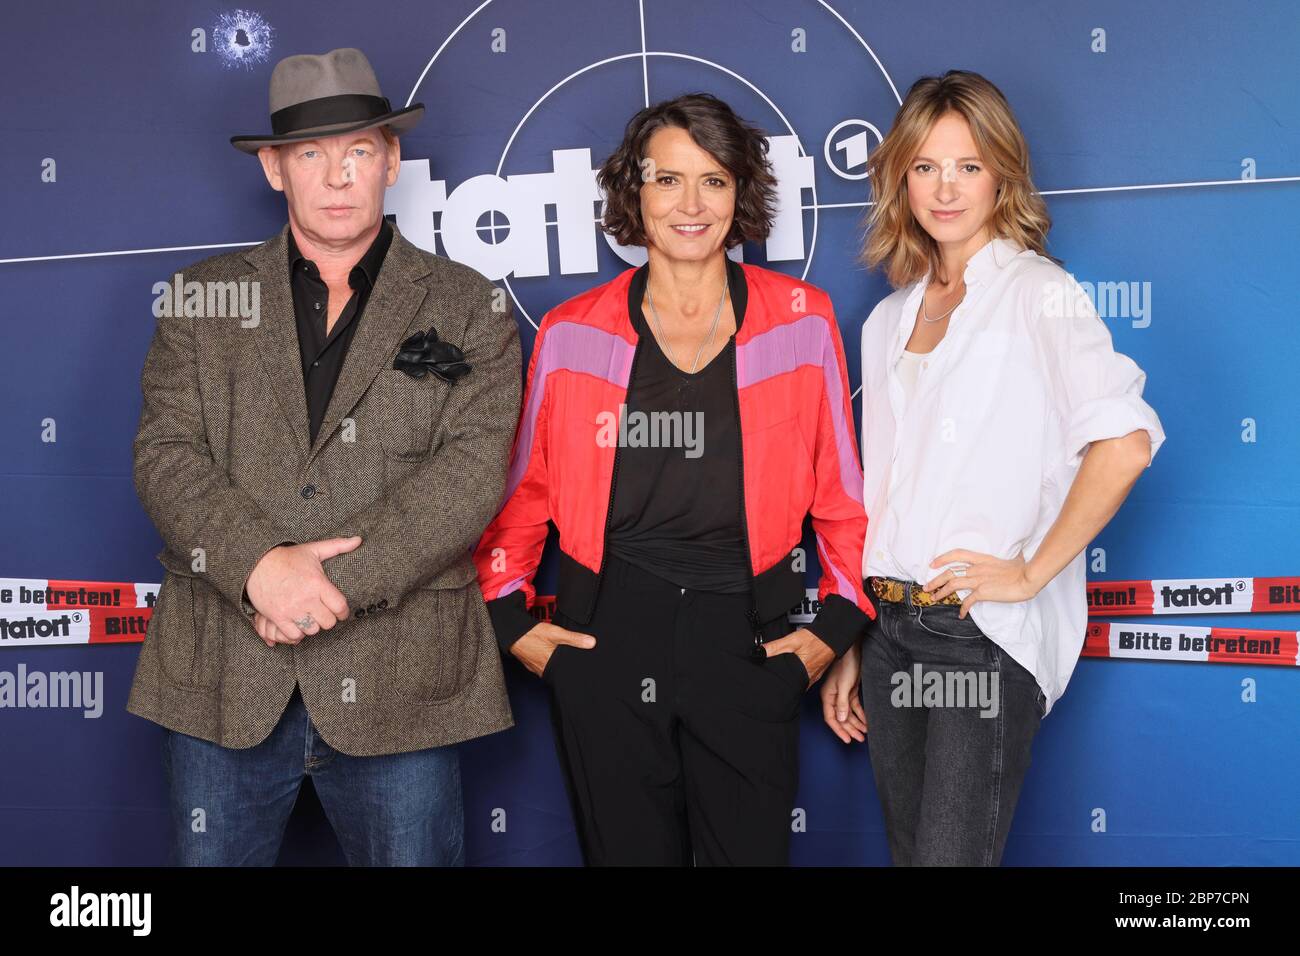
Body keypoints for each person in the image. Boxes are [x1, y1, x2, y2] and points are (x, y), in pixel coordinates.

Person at [126, 48, 521, 865]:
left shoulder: (470, 305)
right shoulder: (200, 298)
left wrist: (316, 586)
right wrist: (258, 568)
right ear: (274, 168)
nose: (338, 176)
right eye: (311, 153)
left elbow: (469, 476)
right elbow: (168, 455)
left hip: (403, 677)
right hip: (225, 676)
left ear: (392, 160)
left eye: (359, 152)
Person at [473, 93, 874, 865]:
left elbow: (843, 498)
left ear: (740, 195)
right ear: (634, 194)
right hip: (608, 645)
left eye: (715, 181)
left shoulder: (802, 319)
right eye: (667, 181)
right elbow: (523, 497)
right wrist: (513, 629)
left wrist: (829, 637)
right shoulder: (570, 332)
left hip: (751, 646)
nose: (691, 204)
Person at [820, 70, 1165, 866]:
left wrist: (1029, 571)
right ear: (899, 175)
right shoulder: (886, 319)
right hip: (890, 632)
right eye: (926, 167)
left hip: (977, 636)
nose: (946, 189)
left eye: (969, 166)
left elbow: (1127, 441)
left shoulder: (1039, 293)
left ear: (1002, 175)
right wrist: (851, 639)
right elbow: (882, 494)